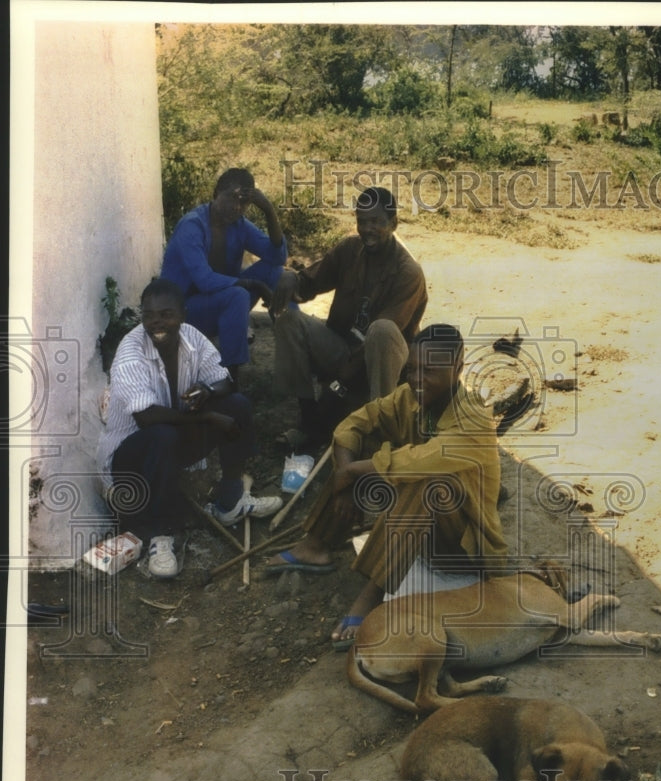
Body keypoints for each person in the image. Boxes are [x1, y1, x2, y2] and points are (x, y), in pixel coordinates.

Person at [265, 324, 507, 647]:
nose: (418, 380)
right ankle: (316, 545)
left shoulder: (474, 419)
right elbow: (354, 424)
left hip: (466, 547)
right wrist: (348, 477)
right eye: (413, 369)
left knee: (425, 482)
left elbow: (417, 461)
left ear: (458, 368)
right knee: (363, 447)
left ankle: (371, 595)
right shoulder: (411, 396)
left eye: (430, 371)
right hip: (422, 531)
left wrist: (351, 475)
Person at [98, 278, 282, 579]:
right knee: (162, 434)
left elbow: (225, 380)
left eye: (166, 314)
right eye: (148, 315)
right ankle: (161, 534)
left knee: (237, 405)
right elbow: (147, 419)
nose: (156, 322)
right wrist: (207, 418)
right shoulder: (131, 352)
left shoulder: (191, 337)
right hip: (130, 462)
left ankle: (230, 501)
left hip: (170, 446)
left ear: (183, 314)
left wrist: (207, 390)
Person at [270, 186, 428, 449]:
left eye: (376, 221)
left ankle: (383, 431)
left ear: (393, 223)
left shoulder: (408, 272)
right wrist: (290, 277)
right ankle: (310, 421)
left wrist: (339, 383)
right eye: (362, 221)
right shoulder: (349, 250)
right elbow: (309, 284)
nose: (367, 229)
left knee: (382, 330)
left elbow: (382, 337)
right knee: (290, 321)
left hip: (384, 367)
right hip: (343, 349)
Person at [160, 167, 288, 387]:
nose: (236, 207)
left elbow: (278, 257)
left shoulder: (238, 225)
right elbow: (204, 280)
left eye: (244, 203)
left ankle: (294, 338)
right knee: (238, 294)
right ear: (216, 193)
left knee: (275, 273)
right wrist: (251, 283)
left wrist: (269, 211)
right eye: (231, 198)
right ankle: (230, 376)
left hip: (219, 305)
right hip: (183, 314)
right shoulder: (192, 226)